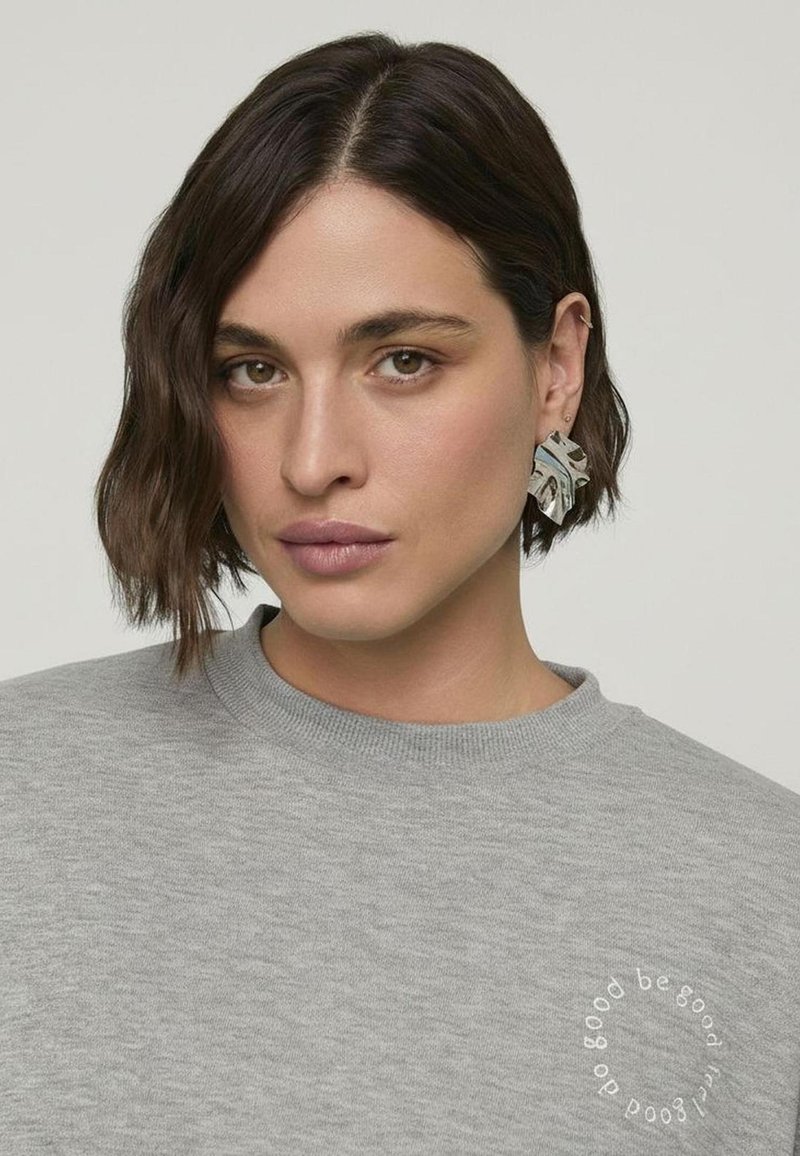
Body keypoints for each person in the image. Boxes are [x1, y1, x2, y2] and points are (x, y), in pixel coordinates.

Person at [1, 31, 798, 1156]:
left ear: (556, 369)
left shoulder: (764, 891)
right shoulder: (22, 790)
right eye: (252, 371)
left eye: (404, 361)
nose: (312, 459)